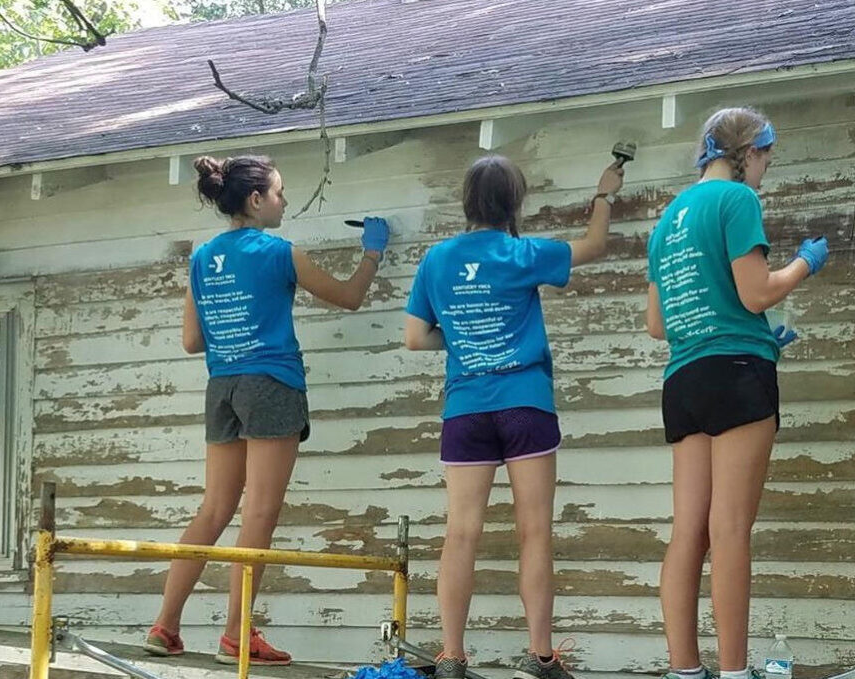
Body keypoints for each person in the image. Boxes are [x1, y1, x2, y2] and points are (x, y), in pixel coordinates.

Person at [143, 155, 390, 665]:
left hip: (223, 386)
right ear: (255, 201)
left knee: (213, 510)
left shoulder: (203, 256)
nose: (284, 200)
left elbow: (192, 340)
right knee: (259, 511)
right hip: (272, 383)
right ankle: (236, 635)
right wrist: (373, 254)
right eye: (279, 192)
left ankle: (164, 626)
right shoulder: (279, 252)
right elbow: (348, 297)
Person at [404, 154, 624, 679]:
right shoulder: (521, 252)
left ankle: (452, 656)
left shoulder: (436, 260)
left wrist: (460, 341)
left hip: (467, 408)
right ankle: (540, 657)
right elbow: (593, 247)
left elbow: (414, 337)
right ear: (513, 203)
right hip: (525, 402)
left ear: (467, 202)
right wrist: (604, 194)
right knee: (534, 533)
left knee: (461, 534)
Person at [647, 107, 829, 679]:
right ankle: (732, 673)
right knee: (728, 530)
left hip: (684, 381)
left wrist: (738, 328)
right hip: (738, 373)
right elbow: (756, 293)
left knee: (688, 534)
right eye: (766, 156)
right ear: (745, 152)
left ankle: (684, 670)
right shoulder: (738, 200)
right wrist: (805, 262)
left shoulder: (667, 219)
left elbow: (658, 323)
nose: (767, 168)